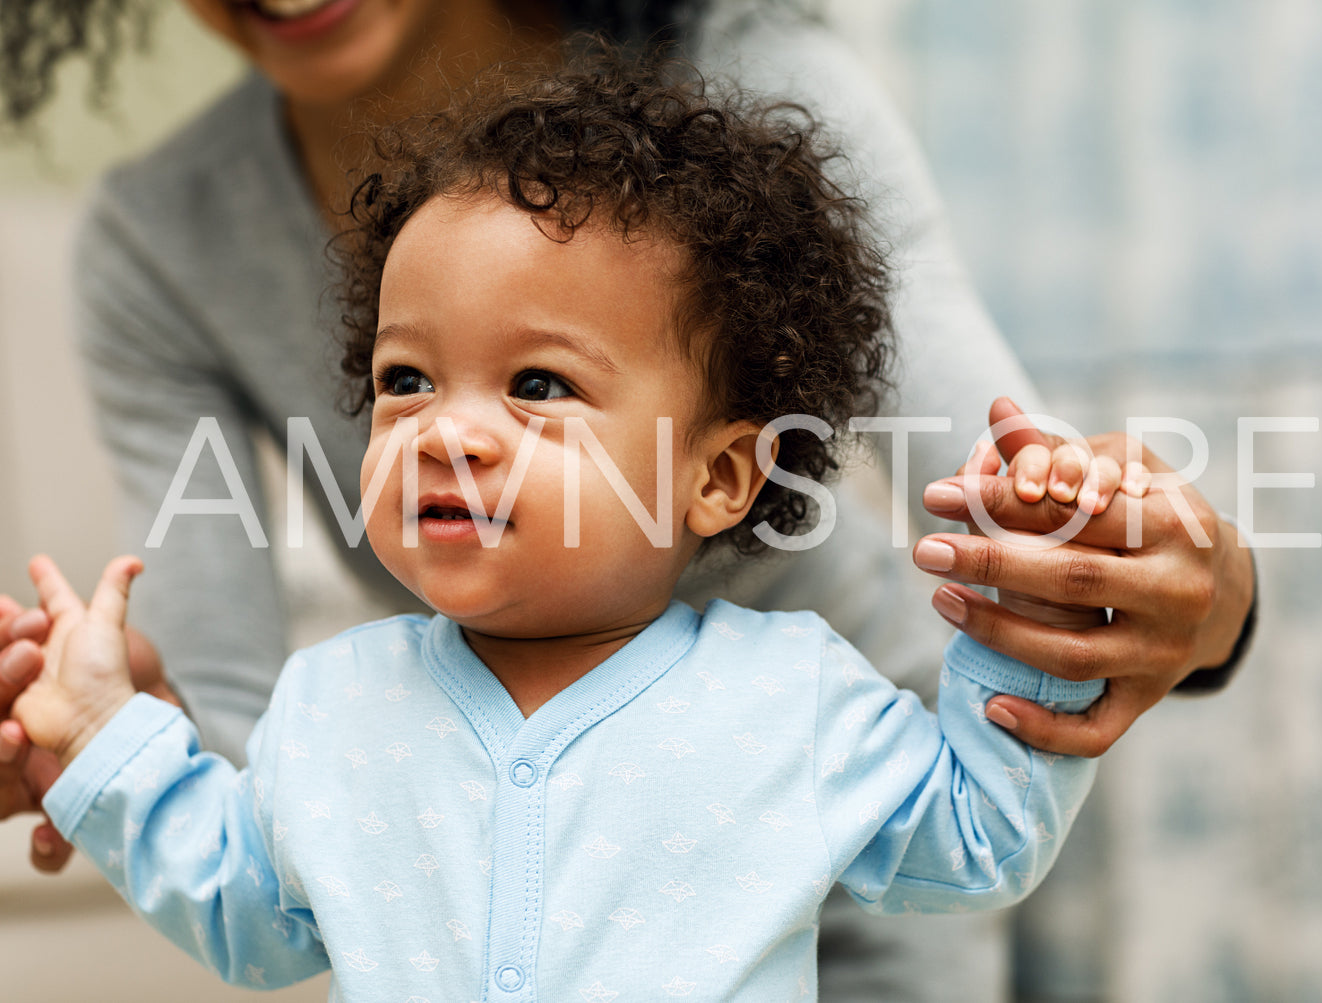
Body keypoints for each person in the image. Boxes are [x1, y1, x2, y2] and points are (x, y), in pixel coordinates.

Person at [0, 1, 1255, 999]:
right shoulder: (336, 708)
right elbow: (247, 888)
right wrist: (102, 737)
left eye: (537, 381)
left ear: (721, 474)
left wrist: (1061, 576)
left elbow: (981, 813)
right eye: (402, 380)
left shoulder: (798, 698)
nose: (448, 430)